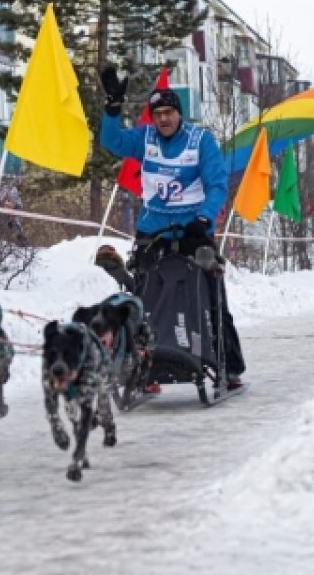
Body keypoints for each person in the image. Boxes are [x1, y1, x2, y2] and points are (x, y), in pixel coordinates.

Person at [97, 66, 245, 388]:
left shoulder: (199, 140)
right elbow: (111, 140)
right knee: (146, 293)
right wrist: (112, 107)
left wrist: (206, 217)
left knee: (211, 292)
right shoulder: (145, 138)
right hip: (155, 228)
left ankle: (227, 363)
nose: (164, 119)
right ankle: (145, 366)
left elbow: (217, 183)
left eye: (169, 112)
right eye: (158, 113)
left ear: (179, 114)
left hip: (193, 227)